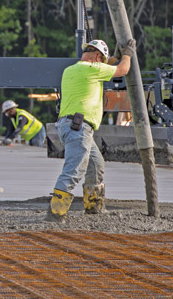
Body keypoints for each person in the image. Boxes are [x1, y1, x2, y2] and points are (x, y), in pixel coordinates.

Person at [47, 38, 134, 221]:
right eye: (101, 61)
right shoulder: (93, 69)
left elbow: (105, 65)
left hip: (69, 126)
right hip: (79, 128)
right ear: (96, 57)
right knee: (74, 169)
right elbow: (122, 70)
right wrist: (127, 54)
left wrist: (115, 56)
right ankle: (56, 213)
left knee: (95, 164)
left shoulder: (71, 70)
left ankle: (94, 208)